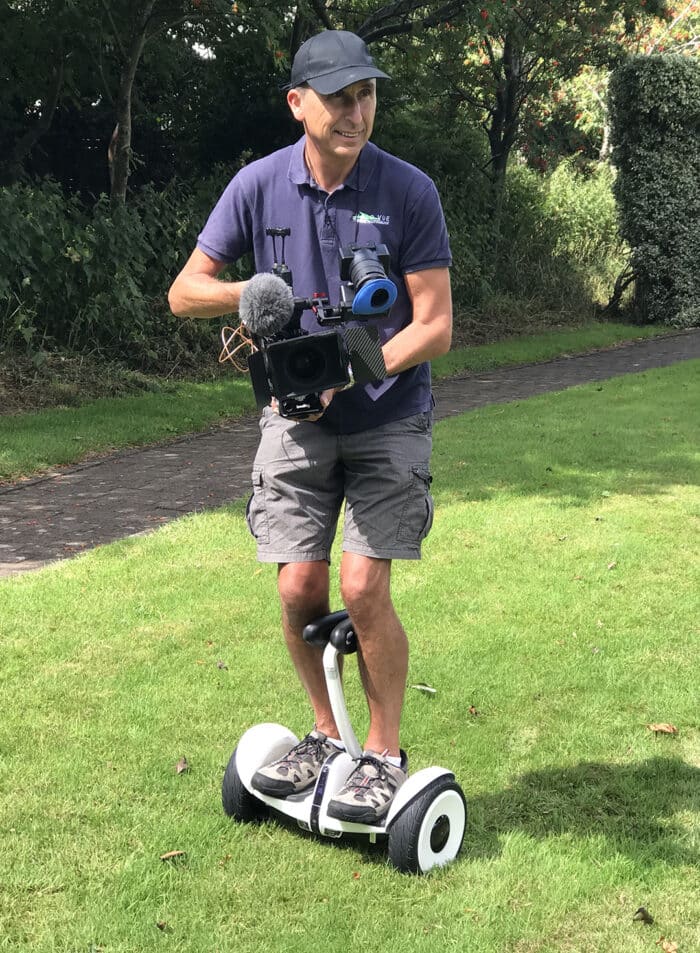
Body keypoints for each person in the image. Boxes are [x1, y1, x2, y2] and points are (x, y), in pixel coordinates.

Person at [168, 29, 452, 824]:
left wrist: (351, 370)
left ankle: (383, 753)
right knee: (299, 587)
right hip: (292, 420)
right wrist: (253, 292)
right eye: (337, 98)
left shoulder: (408, 191)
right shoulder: (258, 186)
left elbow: (434, 325)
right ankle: (327, 735)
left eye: (366, 94)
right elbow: (184, 291)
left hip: (388, 412)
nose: (355, 112)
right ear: (298, 104)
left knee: (362, 586)